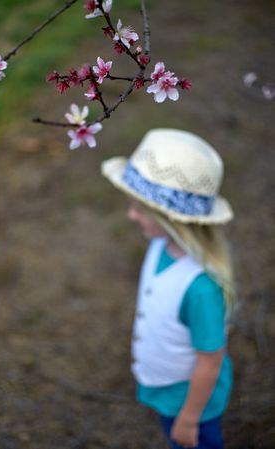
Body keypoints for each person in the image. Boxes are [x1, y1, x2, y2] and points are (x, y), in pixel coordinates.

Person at [101, 129, 235, 449]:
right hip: (168, 389)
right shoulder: (161, 244)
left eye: (139, 208)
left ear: (172, 219)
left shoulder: (201, 289)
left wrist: (189, 418)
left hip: (191, 401)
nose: (131, 215)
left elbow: (210, 361)